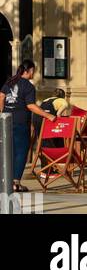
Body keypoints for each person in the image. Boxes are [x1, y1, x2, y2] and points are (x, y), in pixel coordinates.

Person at [0, 61, 54, 191]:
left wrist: (2, 114)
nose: (33, 73)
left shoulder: (9, 82)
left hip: (6, 122)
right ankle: (15, 182)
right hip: (20, 122)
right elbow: (30, 106)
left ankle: (6, 181)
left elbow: (1, 97)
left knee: (8, 151)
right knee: (21, 152)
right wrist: (48, 116)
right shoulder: (28, 86)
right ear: (28, 71)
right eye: (33, 71)